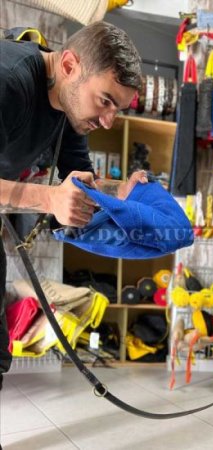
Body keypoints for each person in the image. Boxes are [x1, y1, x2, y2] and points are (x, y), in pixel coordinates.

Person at [0, 21, 145, 388]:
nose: (109, 121)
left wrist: (122, 195)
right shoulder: (8, 81)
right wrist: (49, 198)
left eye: (118, 108)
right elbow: (56, 195)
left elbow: (82, 181)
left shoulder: (71, 113)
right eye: (106, 101)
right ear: (69, 66)